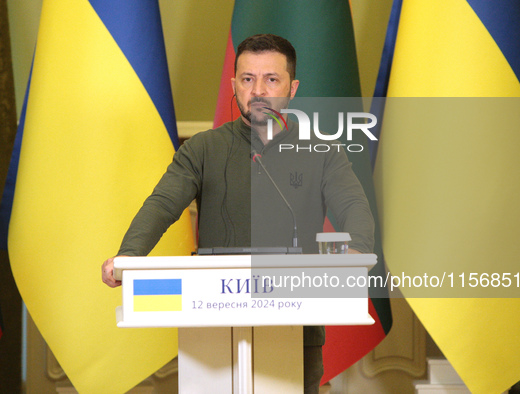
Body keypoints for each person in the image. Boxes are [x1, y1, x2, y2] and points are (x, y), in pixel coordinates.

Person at [102, 33, 374, 394]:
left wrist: (355, 252)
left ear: (292, 89)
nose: (258, 90)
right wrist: (129, 255)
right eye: (248, 79)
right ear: (235, 84)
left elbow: (354, 206)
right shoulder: (204, 148)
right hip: (212, 329)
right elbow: (163, 203)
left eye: (271, 79)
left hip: (298, 329)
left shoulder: (322, 152)